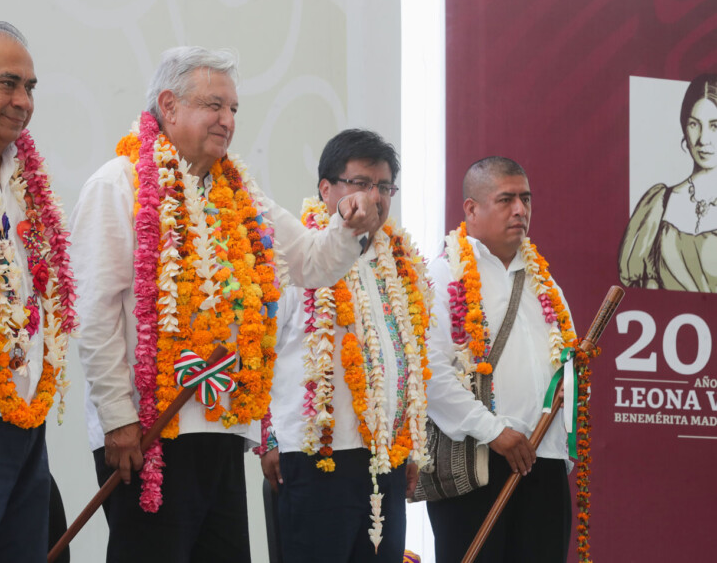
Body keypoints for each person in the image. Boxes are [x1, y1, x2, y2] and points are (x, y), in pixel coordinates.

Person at [70, 47, 382, 563]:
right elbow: (96, 313)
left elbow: (310, 262)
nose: (227, 120)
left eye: (234, 109)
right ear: (168, 105)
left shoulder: (241, 195)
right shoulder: (118, 183)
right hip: (150, 431)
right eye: (215, 105)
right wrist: (117, 419)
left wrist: (346, 226)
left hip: (221, 427)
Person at [258, 128, 431, 563]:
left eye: (384, 186)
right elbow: (260, 350)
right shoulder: (298, 257)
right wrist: (270, 439)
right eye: (361, 183)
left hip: (384, 462)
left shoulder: (402, 266)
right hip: (316, 456)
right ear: (326, 189)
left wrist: (406, 445)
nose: (375, 196)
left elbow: (405, 362)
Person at [424, 157, 576, 563]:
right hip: (476, 462)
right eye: (506, 199)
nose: (520, 210)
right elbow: (430, 373)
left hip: (543, 461)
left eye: (525, 199)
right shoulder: (442, 276)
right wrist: (494, 432)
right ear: (471, 209)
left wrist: (563, 443)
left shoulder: (546, 284)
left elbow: (569, 369)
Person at [0, 21, 76, 562]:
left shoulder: (23, 176)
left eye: (30, 88)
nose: (22, 100)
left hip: (22, 412)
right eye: (7, 83)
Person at [619, 73, 717, 292]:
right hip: (664, 324)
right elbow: (639, 289)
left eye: (715, 126)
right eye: (694, 124)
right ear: (684, 127)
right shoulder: (659, 202)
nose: (703, 139)